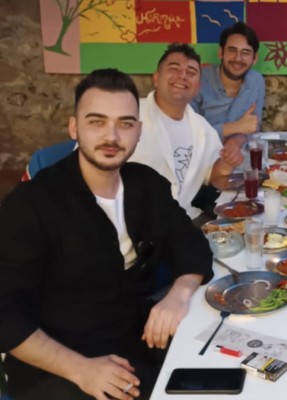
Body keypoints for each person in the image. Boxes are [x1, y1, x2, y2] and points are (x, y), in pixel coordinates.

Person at [0, 69, 214, 400]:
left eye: (125, 124)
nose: (111, 136)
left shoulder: (145, 185)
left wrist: (178, 294)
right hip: (57, 363)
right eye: (97, 122)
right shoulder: (31, 205)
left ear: (138, 131)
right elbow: (5, 313)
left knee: (220, 366)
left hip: (134, 338)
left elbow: (191, 244)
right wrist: (80, 370)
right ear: (74, 127)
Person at [130, 43, 243, 223]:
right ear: (156, 78)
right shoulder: (128, 116)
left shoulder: (202, 129)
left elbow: (212, 177)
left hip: (183, 222)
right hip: (131, 226)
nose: (182, 76)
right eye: (174, 69)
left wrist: (226, 163)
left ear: (197, 87)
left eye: (191, 72)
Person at [191, 21, 264, 142]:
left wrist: (237, 141)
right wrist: (236, 127)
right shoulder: (198, 80)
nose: (238, 58)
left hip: (240, 152)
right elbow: (188, 132)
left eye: (245, 52)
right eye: (232, 50)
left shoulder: (256, 81)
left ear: (254, 58)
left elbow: (253, 124)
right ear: (221, 53)